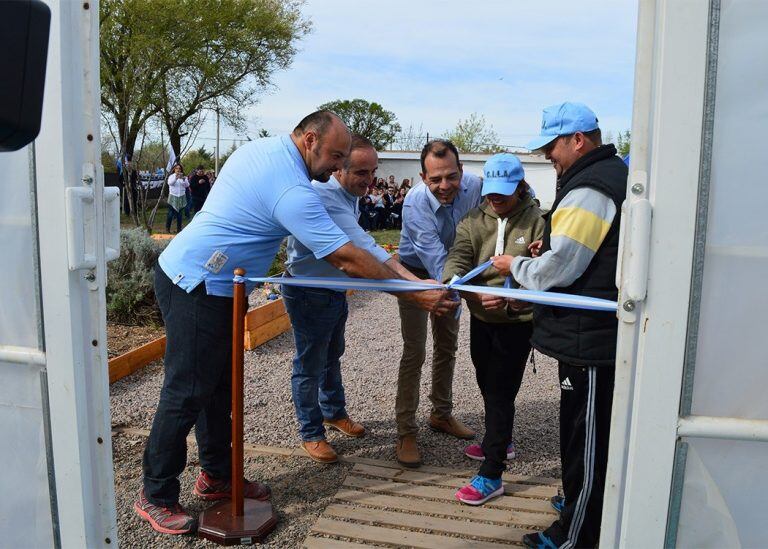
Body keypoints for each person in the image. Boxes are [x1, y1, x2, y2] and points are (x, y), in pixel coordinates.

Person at [136, 111, 457, 536]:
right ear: (310, 140)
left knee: (219, 387)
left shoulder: (266, 151)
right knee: (187, 390)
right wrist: (417, 293)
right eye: (336, 156)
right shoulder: (291, 186)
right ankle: (155, 494)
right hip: (195, 282)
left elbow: (361, 246)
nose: (337, 167)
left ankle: (216, 476)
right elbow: (346, 256)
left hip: (217, 286)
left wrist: (416, 283)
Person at [493, 103, 627, 548]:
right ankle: (578, 503)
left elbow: (560, 269)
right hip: (586, 336)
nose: (549, 155)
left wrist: (517, 265)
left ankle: (575, 536)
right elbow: (580, 246)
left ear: (578, 140)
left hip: (590, 340)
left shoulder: (591, 186)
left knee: (585, 443)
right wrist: (547, 243)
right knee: (580, 436)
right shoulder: (601, 176)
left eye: (553, 145)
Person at [284, 134, 422, 464]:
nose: (369, 180)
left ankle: (332, 412)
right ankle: (311, 432)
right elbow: (365, 246)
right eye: (361, 172)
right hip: (308, 291)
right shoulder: (324, 197)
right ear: (337, 170)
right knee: (310, 362)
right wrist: (415, 285)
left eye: (372, 172)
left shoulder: (351, 193)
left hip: (332, 289)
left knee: (332, 352)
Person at [442, 154, 544, 505]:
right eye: (491, 192)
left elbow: (547, 275)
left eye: (504, 192)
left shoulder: (539, 222)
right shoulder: (473, 220)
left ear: (520, 186)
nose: (495, 200)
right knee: (487, 383)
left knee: (500, 392)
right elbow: (457, 259)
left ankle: (492, 472)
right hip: (481, 320)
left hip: (517, 326)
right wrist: (466, 288)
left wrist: (518, 300)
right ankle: (499, 440)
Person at [395, 139, 483, 467]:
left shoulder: (476, 185)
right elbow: (434, 259)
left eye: (451, 176)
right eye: (435, 180)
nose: (445, 186)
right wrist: (471, 296)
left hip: (454, 270)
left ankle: (441, 414)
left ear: (462, 171)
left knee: (447, 347)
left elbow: (516, 196)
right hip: (417, 274)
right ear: (422, 177)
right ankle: (406, 430)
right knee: (414, 351)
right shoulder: (415, 203)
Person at [165, 163, 189, 233]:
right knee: (170, 214)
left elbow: (187, 185)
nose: (178, 170)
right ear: (174, 169)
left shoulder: (184, 177)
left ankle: (179, 230)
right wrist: (176, 178)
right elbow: (170, 183)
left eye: (179, 168)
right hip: (173, 196)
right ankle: (167, 229)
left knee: (179, 214)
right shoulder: (171, 176)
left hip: (181, 196)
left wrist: (184, 179)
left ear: (181, 169)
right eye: (176, 168)